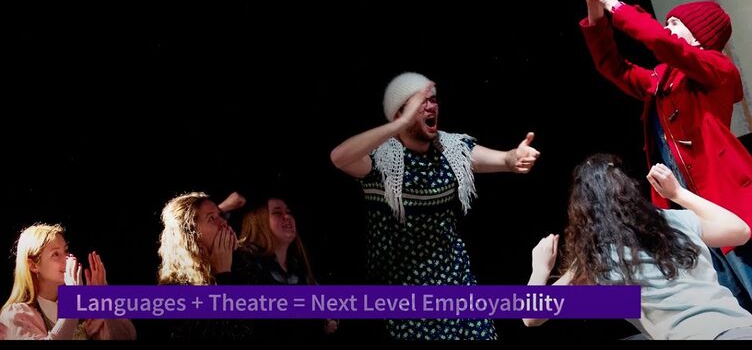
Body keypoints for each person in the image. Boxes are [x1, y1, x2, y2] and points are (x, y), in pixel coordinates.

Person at [579, 0, 752, 311]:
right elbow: (614, 68)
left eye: (675, 23)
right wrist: (597, 13)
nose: (666, 27)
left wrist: (617, 6)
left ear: (698, 37)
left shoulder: (717, 68)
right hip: (687, 207)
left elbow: (662, 42)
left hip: (725, 200)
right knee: (726, 298)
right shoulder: (663, 78)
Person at [330, 72, 541, 340]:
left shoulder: (451, 148)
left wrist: (515, 157)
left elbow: (504, 160)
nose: (431, 106)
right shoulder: (380, 159)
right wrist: (400, 124)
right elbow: (339, 157)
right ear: (399, 113)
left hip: (455, 281)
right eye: (421, 102)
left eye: (433, 100)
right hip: (402, 292)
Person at [523, 154, 752, 339]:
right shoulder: (674, 222)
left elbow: (532, 316)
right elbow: (740, 231)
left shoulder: (597, 258)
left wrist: (540, 269)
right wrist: (678, 193)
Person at [0, 224, 137, 340]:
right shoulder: (16, 314)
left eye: (66, 251)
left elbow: (128, 336)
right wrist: (73, 300)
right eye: (55, 254)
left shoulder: (83, 303)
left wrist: (104, 295)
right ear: (33, 265)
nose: (68, 258)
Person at [234, 196, 338, 340]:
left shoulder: (300, 267)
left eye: (289, 212)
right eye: (277, 213)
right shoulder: (245, 264)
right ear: (258, 221)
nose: (287, 217)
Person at [157, 191, 253, 340]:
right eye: (211, 218)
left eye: (220, 215)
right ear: (190, 236)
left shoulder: (246, 266)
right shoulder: (173, 292)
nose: (224, 222)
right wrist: (223, 276)